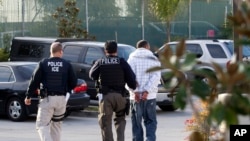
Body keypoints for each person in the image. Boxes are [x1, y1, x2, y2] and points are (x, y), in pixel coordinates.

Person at [24, 42, 77, 141]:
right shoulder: (67, 64)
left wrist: (28, 96)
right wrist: (67, 91)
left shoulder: (43, 63)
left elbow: (34, 81)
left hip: (47, 99)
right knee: (56, 126)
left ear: (50, 51)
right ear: (61, 52)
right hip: (61, 100)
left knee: (41, 125)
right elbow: (74, 82)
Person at [89, 40, 137, 141]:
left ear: (105, 50)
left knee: (105, 123)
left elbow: (92, 75)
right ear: (117, 50)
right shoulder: (122, 61)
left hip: (106, 97)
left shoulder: (101, 61)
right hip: (120, 96)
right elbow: (131, 79)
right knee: (120, 121)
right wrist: (133, 88)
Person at [127, 40, 161, 141]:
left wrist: (135, 91)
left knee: (136, 122)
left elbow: (128, 78)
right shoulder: (154, 59)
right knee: (150, 121)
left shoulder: (131, 59)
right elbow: (156, 77)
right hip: (150, 96)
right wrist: (146, 91)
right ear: (147, 46)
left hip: (135, 97)